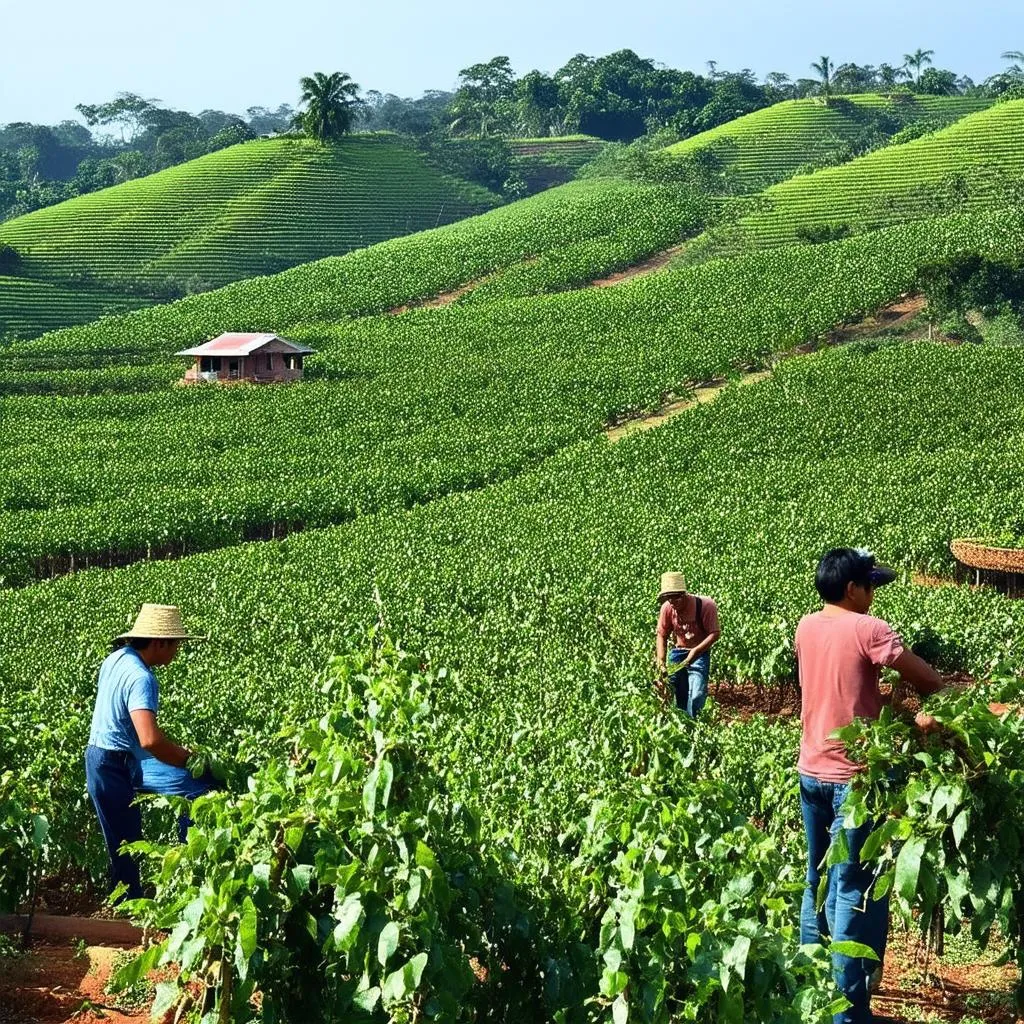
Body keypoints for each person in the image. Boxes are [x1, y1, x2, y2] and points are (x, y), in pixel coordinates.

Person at [796, 549, 946, 1024]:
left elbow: (840, 690)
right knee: (850, 887)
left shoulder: (806, 626)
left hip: (811, 770)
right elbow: (925, 678)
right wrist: (937, 705)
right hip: (852, 780)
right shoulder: (868, 628)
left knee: (816, 878)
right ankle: (847, 1014)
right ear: (851, 589)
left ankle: (807, 990)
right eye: (870, 585)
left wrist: (881, 707)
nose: (874, 593)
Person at [85, 604, 216, 901]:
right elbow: (150, 740)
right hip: (114, 764)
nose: (177, 651)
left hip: (108, 756)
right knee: (127, 844)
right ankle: (134, 912)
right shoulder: (142, 678)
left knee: (124, 839)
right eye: (176, 644)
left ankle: (142, 895)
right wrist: (189, 759)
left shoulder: (116, 658)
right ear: (160, 643)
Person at [654, 571, 721, 717]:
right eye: (669, 599)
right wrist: (661, 663)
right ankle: (684, 728)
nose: (672, 602)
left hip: (699, 653)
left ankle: (695, 726)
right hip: (678, 654)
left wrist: (695, 652)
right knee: (676, 692)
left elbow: (715, 633)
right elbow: (661, 635)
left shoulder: (705, 605)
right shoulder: (667, 608)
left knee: (696, 696)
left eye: (675, 598)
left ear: (684, 594)